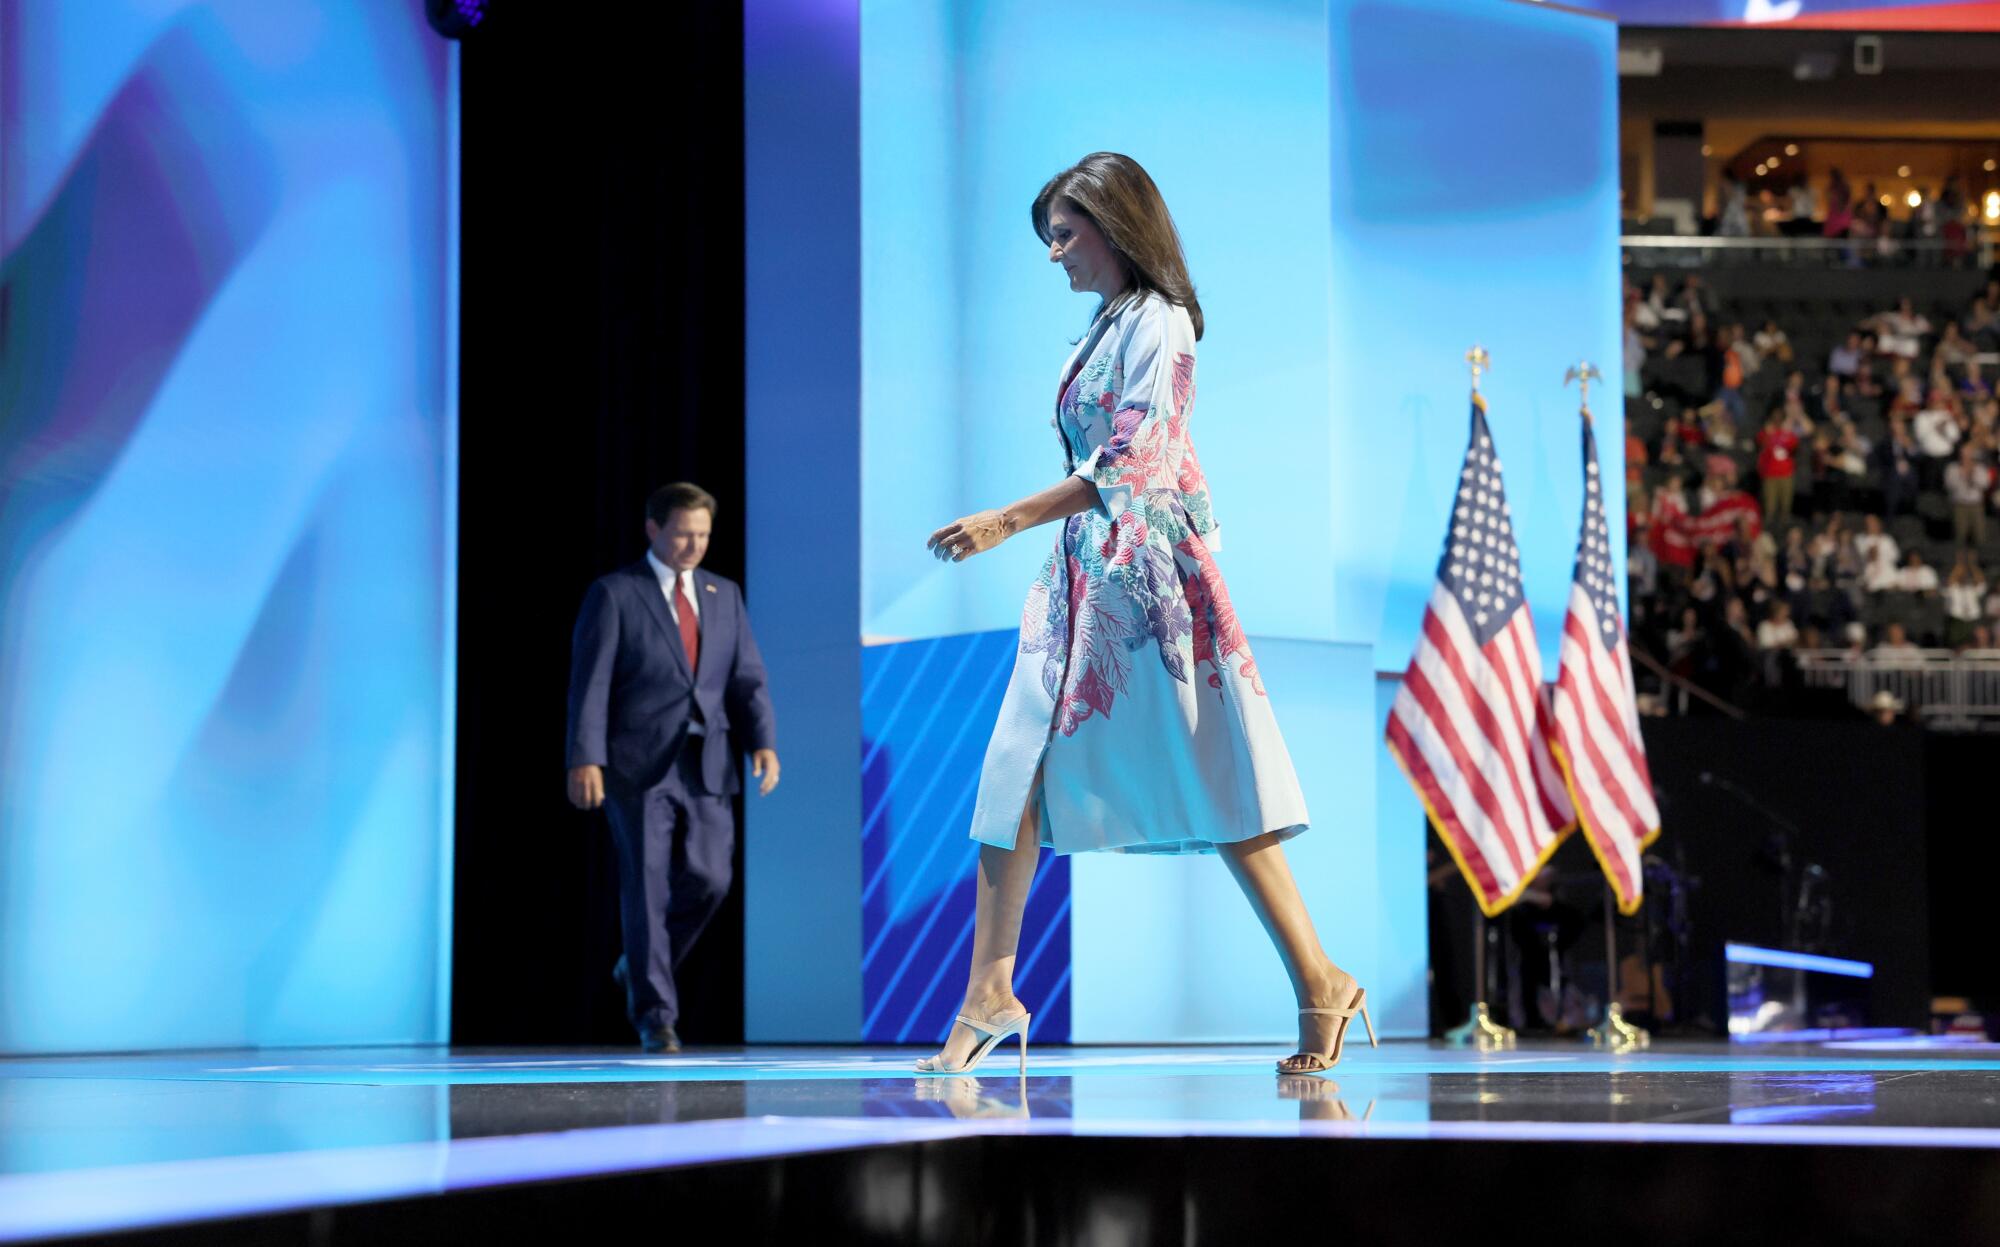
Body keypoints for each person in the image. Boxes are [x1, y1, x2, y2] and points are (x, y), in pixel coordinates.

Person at [918, 152, 1361, 1078]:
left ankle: (1320, 978)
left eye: (1066, 235)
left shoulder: (1161, 324)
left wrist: (1004, 518)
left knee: (1218, 783)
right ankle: (988, 992)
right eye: (1050, 238)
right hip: (1088, 569)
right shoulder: (1106, 323)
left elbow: (1131, 460)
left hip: (1151, 580)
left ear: (1118, 229)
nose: (1055, 254)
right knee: (1017, 770)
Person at [565, 482, 780, 1054]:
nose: (694, 545)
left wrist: (764, 743)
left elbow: (747, 678)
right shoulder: (616, 594)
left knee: (712, 880)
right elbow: (591, 685)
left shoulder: (722, 593)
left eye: (703, 535)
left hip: (706, 758)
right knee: (647, 888)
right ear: (654, 529)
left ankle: (637, 967)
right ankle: (655, 1013)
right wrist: (586, 756)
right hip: (637, 765)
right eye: (684, 533)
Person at [1945, 445, 1993, 550]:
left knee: (1979, 534)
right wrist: (1962, 474)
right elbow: (1950, 486)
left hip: (1976, 506)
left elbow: (1985, 484)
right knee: (1960, 535)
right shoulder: (1953, 468)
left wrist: (1972, 475)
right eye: (1963, 455)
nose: (1966, 458)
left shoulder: (1979, 468)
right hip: (1960, 505)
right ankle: (1960, 562)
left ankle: (1977, 561)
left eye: (1968, 455)